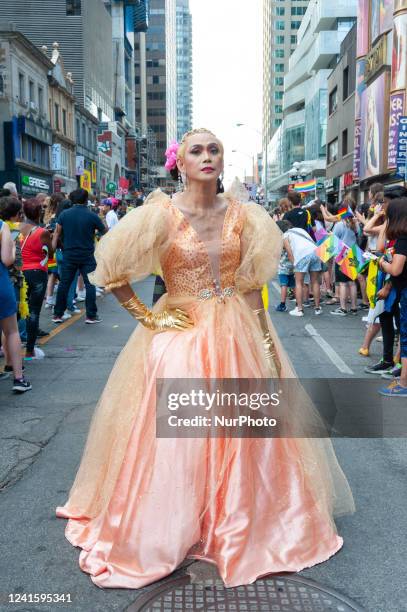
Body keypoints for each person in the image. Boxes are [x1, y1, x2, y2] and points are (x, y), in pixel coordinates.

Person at [56, 128, 354, 588]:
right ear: (180, 162)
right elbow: (110, 268)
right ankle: (169, 523)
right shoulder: (159, 214)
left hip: (237, 330)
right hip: (182, 332)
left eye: (214, 149)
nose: (208, 156)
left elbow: (253, 282)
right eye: (197, 150)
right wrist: (148, 319)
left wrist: (267, 342)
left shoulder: (246, 215)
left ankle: (238, 520)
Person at [52, 189, 106, 324]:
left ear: (71, 199)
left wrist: (53, 248)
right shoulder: (92, 215)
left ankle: (58, 314)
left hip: (69, 254)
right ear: (86, 200)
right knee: (90, 284)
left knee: (64, 284)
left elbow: (57, 233)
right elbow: (105, 230)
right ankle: (91, 316)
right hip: (87, 255)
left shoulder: (64, 214)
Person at [378, 198, 407, 396]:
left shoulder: (404, 238)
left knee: (405, 338)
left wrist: (382, 264)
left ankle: (403, 384)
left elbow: (396, 269)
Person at [0, 218, 32, 392]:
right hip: (1, 285)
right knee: (11, 331)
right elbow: (6, 260)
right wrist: (12, 248)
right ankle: (18, 379)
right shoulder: (2, 226)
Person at [20, 198, 53, 360]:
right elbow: (50, 253)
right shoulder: (42, 232)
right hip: (37, 273)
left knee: (18, 312)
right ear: (39, 212)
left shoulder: (16, 229)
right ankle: (29, 351)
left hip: (19, 273)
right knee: (33, 312)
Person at [283, 225, 322, 316]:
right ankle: (317, 308)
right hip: (316, 252)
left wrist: (294, 265)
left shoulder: (285, 235)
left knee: (298, 282)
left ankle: (299, 309)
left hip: (302, 255)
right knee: (315, 281)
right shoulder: (300, 229)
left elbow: (289, 253)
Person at [275, 219, 295, 312]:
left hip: (283, 267)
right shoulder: (290, 238)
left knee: (284, 285)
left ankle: (282, 304)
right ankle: (297, 302)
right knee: (294, 285)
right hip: (292, 265)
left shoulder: (280, 240)